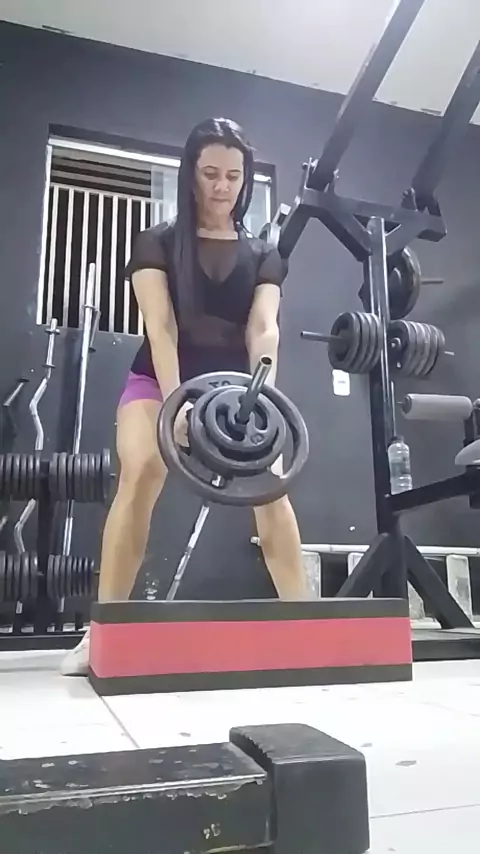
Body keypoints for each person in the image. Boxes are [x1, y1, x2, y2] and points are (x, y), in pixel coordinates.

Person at [61, 117, 310, 677]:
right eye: (210, 174)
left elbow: (263, 329)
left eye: (233, 176)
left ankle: (304, 626)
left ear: (246, 179)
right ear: (190, 174)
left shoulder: (264, 253)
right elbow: (161, 326)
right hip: (158, 380)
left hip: (234, 390)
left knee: (271, 489)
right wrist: (176, 405)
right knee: (142, 470)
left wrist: (262, 397)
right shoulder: (156, 242)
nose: (222, 187)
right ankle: (103, 633)